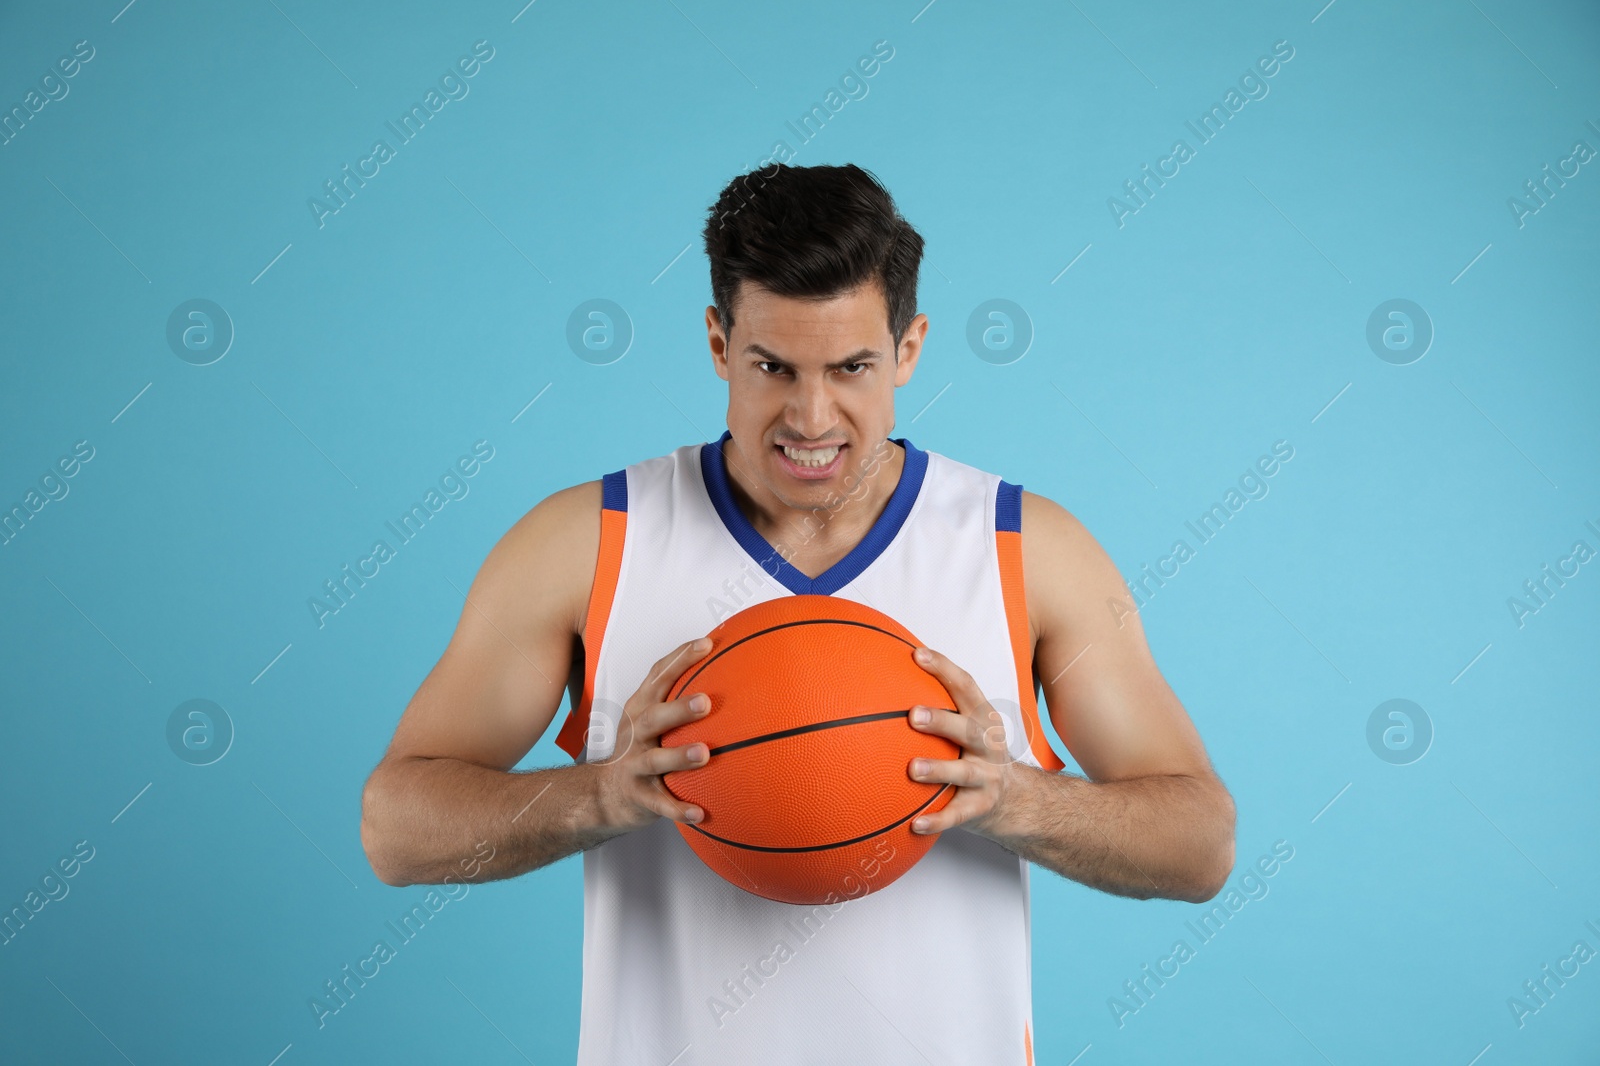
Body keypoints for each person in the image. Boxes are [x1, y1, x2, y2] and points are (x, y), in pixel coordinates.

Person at [360, 162, 1235, 1064]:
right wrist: (598, 795)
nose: (811, 417)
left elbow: (1201, 841)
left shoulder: (1024, 545)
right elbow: (396, 828)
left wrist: (1018, 798)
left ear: (910, 347)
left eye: (852, 366)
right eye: (772, 366)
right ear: (716, 343)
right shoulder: (587, 542)